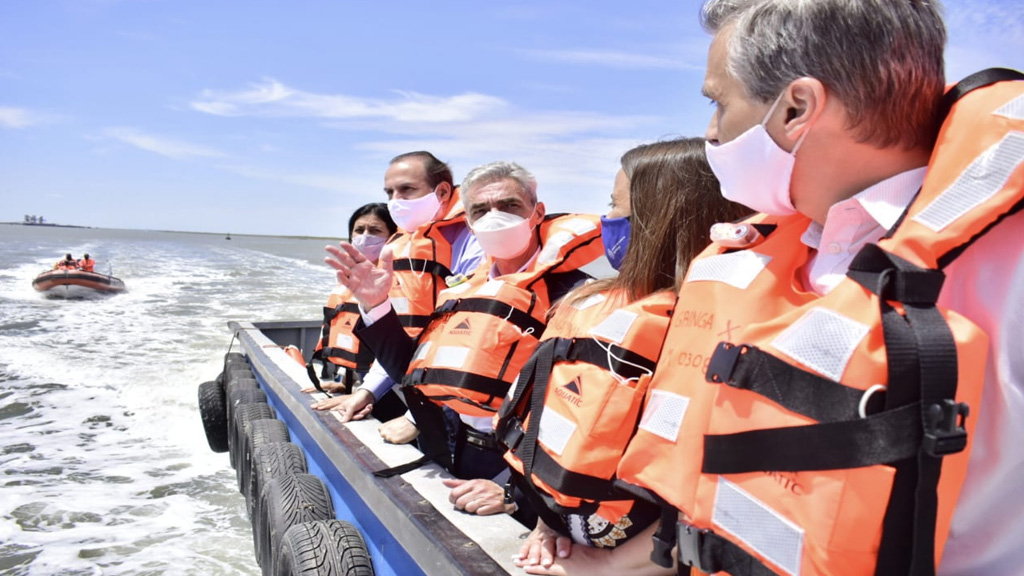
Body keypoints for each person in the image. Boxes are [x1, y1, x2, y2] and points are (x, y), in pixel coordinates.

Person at [527, 1, 1024, 575]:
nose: (711, 131)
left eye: (718, 102)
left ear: (797, 108)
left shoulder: (1007, 270)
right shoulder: (764, 248)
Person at [500, 138, 749, 567]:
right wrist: (547, 521)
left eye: (616, 205)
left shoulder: (711, 332)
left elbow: (703, 486)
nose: (606, 219)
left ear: (660, 220)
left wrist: (607, 567)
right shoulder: (593, 301)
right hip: (565, 535)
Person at [325, 161, 603, 519]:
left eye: (509, 206)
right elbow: (416, 378)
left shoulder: (576, 298)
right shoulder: (462, 289)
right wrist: (376, 305)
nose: (494, 218)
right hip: (456, 449)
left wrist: (513, 487)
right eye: (481, 210)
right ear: (469, 222)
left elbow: (581, 414)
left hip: (519, 472)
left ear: (537, 214)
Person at [312, 151, 485, 427]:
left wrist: (415, 419)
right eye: (389, 192)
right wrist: (367, 392)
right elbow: (407, 332)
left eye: (406, 190)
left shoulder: (474, 243)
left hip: (464, 410)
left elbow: (472, 340)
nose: (395, 201)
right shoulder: (403, 245)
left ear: (441, 191)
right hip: (414, 382)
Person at [306, 203, 397, 394]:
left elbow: (394, 347)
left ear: (392, 236)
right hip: (360, 382)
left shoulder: (398, 279)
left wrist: (365, 392)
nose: (365, 236)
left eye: (375, 230)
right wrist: (346, 383)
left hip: (387, 388)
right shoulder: (348, 279)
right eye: (359, 230)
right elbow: (349, 332)